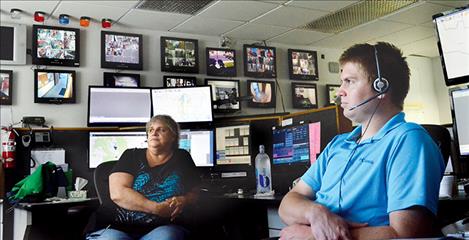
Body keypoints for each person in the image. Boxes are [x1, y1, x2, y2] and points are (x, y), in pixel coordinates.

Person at [278, 42, 445, 240]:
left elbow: (407, 234)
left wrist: (313, 236)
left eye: (349, 81)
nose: (340, 91)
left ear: (380, 87)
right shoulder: (338, 144)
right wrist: (316, 214)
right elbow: (288, 203)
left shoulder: (408, 140)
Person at [86, 115, 200, 240]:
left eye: (162, 130)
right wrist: (157, 209)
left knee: (167, 236)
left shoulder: (182, 158)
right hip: (115, 226)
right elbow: (118, 193)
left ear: (173, 136)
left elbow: (196, 191)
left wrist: (184, 200)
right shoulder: (131, 155)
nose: (154, 133)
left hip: (163, 227)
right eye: (151, 130)